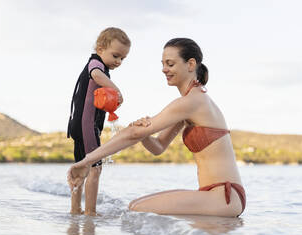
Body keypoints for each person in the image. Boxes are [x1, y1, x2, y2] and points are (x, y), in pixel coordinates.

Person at [67, 38, 246, 217]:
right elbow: (158, 147)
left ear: (191, 64)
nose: (164, 69)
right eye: (163, 64)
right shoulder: (191, 101)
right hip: (213, 194)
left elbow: (133, 134)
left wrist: (86, 161)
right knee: (135, 204)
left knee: (136, 210)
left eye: (170, 64)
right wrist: (145, 134)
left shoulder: (192, 102)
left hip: (225, 196)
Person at [67, 27, 131, 216]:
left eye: (122, 59)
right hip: (86, 126)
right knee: (95, 169)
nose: (118, 62)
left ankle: (75, 209)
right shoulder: (96, 64)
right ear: (100, 48)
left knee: (80, 169)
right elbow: (96, 75)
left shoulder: (98, 64)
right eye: (116, 56)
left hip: (79, 124)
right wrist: (117, 91)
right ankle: (90, 212)